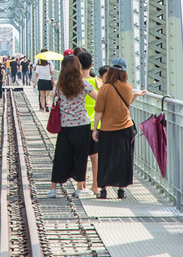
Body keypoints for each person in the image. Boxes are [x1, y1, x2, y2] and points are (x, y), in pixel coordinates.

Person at [93, 57, 148, 199]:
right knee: (123, 159)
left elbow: (99, 110)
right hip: (126, 129)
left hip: (107, 129)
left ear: (110, 71)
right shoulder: (128, 87)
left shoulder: (104, 88)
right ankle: (121, 190)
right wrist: (136, 94)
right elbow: (126, 103)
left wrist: (94, 129)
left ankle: (104, 190)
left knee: (105, 159)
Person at [46, 53, 97, 198]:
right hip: (82, 124)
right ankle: (80, 187)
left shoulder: (59, 84)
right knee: (81, 156)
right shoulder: (84, 83)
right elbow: (99, 99)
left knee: (61, 155)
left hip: (65, 125)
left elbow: (54, 98)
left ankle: (53, 188)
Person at [77, 50, 100, 195]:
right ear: (91, 65)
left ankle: (81, 186)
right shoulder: (97, 83)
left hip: (80, 124)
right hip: (97, 125)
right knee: (95, 158)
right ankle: (95, 186)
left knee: (81, 157)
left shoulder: (75, 84)